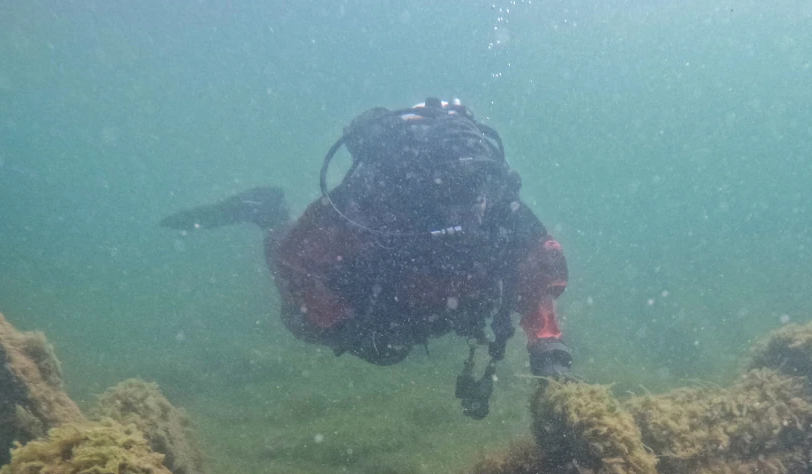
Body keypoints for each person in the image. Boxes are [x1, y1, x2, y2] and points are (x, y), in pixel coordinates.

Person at [161, 98, 572, 418]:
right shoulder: (377, 200)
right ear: (428, 189)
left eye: (475, 199)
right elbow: (296, 260)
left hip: (432, 303)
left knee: (397, 346)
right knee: (302, 322)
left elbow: (538, 273)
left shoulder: (499, 203)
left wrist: (547, 347)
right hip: (379, 293)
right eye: (453, 201)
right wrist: (343, 323)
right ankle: (267, 213)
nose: (466, 216)